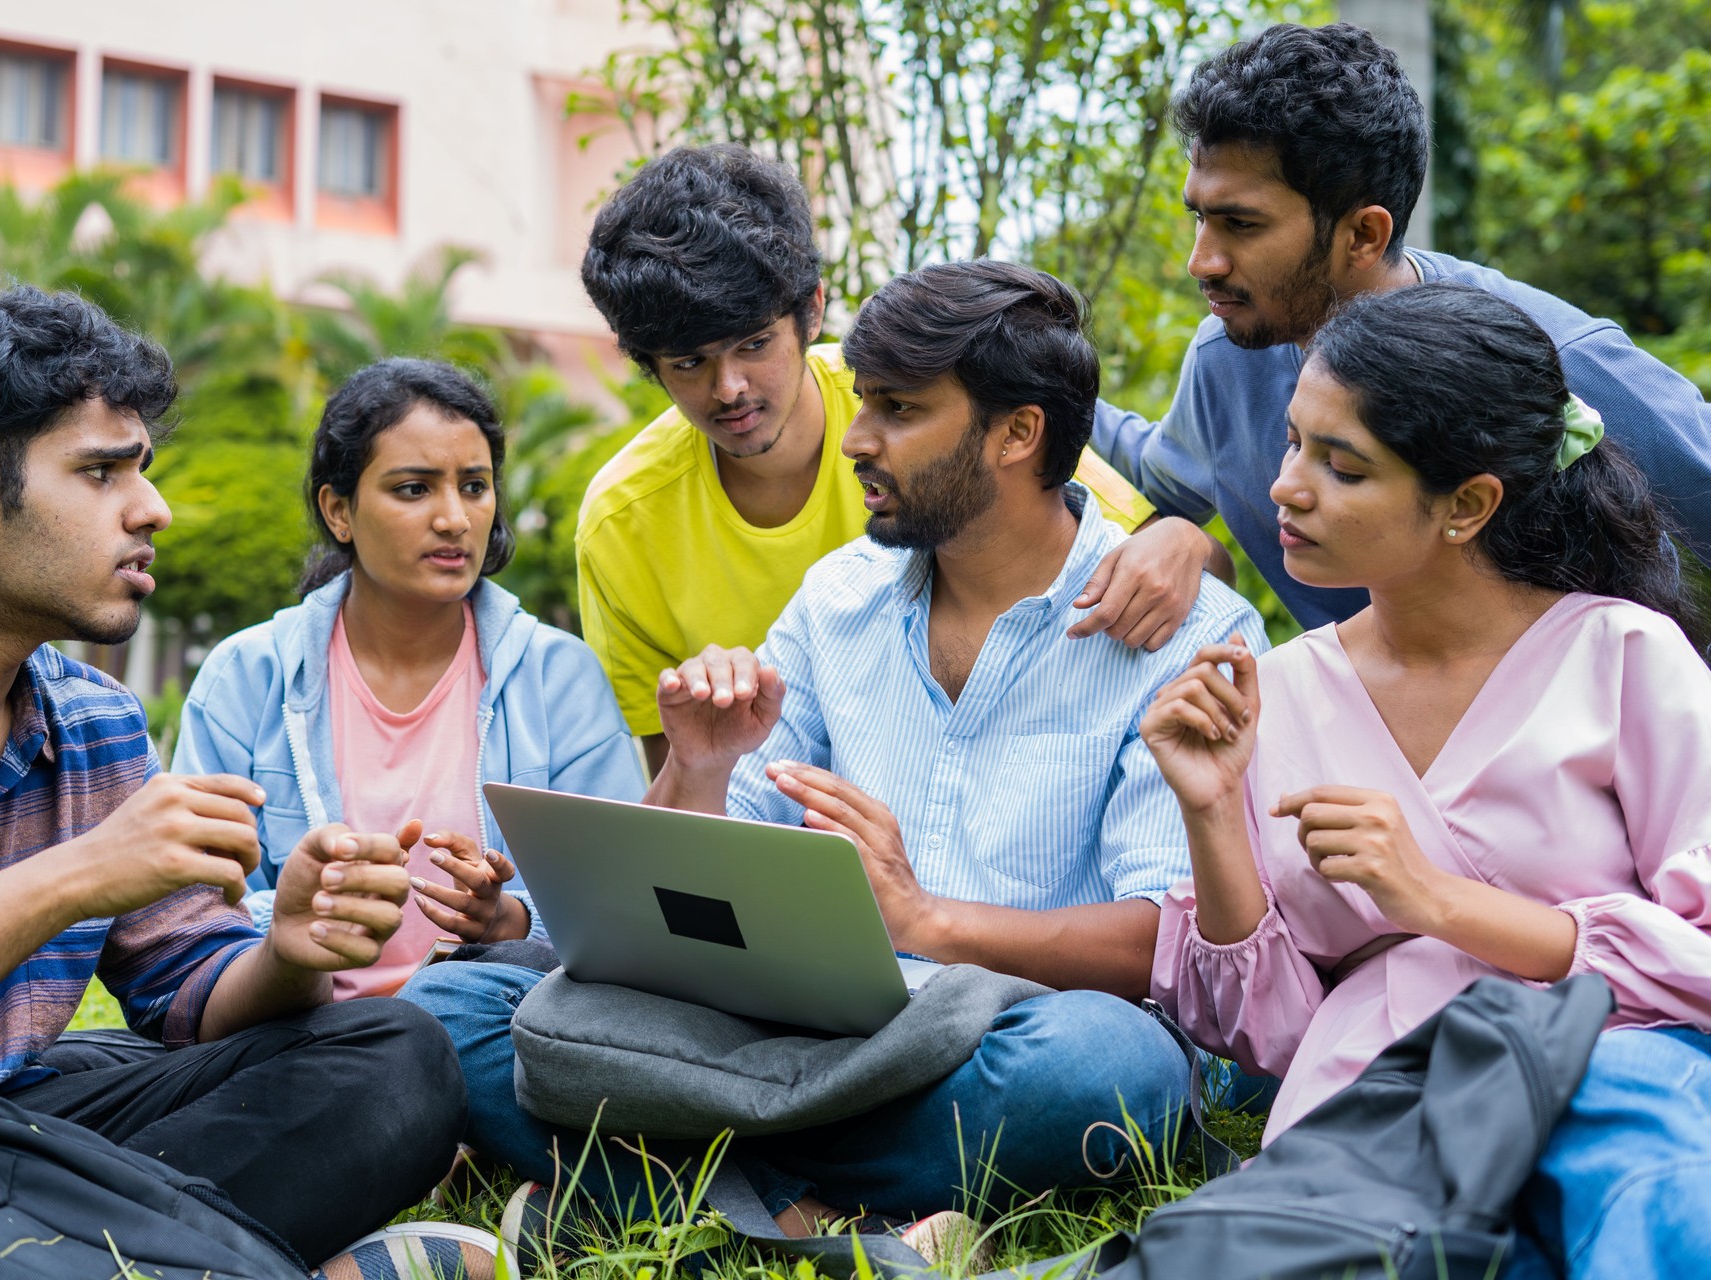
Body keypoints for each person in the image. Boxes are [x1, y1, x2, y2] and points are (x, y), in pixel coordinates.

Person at [406, 260, 1268, 1248]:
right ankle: (831, 1218)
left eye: (898, 410)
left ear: (1018, 433)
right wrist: (696, 763)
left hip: (992, 1040)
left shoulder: (1180, 627)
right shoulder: (837, 598)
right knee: (451, 1006)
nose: (857, 440)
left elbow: (1166, 944)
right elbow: (686, 909)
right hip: (792, 1029)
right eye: (864, 403)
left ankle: (679, 1186)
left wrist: (924, 918)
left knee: (1117, 1068)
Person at [0, 287, 490, 1279]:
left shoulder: (94, 718)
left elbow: (193, 993)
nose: (151, 508)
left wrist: (291, 949)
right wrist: (74, 877)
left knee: (396, 1053)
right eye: (101, 471)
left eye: (142, 469)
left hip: (7, 1131)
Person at [1142, 283, 1711, 1278]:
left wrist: (1436, 899)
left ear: (1468, 504)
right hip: (1375, 1103)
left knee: (1645, 1196)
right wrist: (1210, 812)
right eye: (1291, 443)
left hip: (1607, 1063)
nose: (1286, 487)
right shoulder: (1273, 695)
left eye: (1342, 464)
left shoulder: (1623, 655)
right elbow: (1270, 1032)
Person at [577, 144, 1234, 772]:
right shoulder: (621, 524)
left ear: (811, 310)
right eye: (688, 363)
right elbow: (687, 787)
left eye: (753, 344)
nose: (729, 390)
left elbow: (1153, 557)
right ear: (648, 366)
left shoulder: (918, 407)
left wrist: (1183, 540)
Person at [1089, 21, 1711, 633]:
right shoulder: (1230, 358)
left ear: (1364, 234)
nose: (1202, 261)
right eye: (1198, 217)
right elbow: (1153, 477)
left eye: (1241, 224)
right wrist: (1024, 372)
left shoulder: (1554, 358)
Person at [173, 359, 644, 998]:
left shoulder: (558, 677)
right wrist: (299, 915)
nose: (454, 518)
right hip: (290, 1027)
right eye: (414, 489)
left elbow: (618, 901)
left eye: (474, 486)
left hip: (494, 1024)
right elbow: (191, 910)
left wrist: (509, 919)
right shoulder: (247, 677)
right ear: (339, 510)